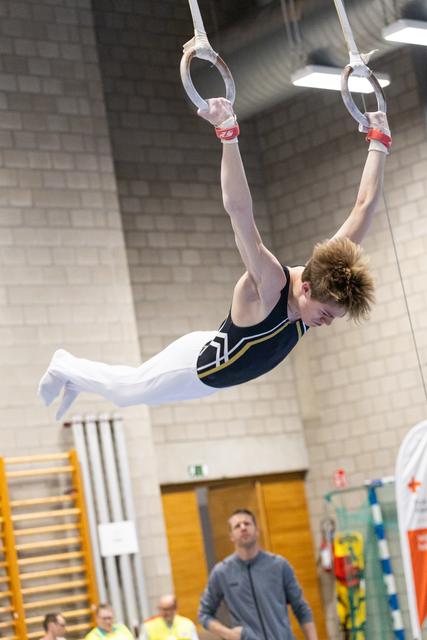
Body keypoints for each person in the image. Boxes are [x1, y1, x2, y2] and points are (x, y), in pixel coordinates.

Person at [38, 97, 390, 420]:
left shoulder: (327, 271)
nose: (327, 323)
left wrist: (380, 142)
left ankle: (76, 380)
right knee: (128, 392)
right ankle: (64, 365)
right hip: (194, 367)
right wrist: (228, 134)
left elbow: (363, 208)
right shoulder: (270, 284)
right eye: (327, 314)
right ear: (307, 289)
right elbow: (239, 212)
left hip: (212, 374)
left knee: (135, 392)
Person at [199, 508, 317, 640]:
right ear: (231, 536)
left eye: (247, 523)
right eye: (237, 526)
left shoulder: (279, 565)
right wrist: (229, 634)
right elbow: (204, 614)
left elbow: (301, 608)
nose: (243, 528)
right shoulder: (222, 572)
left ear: (257, 531)